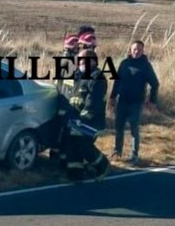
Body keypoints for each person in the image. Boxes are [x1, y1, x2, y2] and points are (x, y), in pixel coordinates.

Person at [109, 40, 160, 165]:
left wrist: (152, 100)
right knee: (119, 127)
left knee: (134, 129)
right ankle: (117, 151)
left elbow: (155, 83)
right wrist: (112, 97)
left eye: (139, 49)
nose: (136, 51)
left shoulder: (145, 66)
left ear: (143, 51)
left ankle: (134, 155)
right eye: (134, 49)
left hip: (136, 103)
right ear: (130, 50)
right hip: (122, 101)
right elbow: (117, 81)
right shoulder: (124, 63)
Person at [63, 49, 110, 182]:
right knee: (72, 145)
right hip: (75, 119)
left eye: (84, 60)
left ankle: (103, 166)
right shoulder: (78, 76)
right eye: (80, 60)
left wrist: (82, 118)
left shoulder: (97, 77)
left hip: (89, 121)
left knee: (84, 145)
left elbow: (93, 101)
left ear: (93, 61)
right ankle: (75, 174)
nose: (81, 63)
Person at [50, 33, 80, 167]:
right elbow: (68, 85)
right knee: (64, 132)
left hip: (60, 100)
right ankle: (61, 159)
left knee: (58, 130)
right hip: (65, 103)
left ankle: (55, 155)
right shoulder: (69, 62)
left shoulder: (63, 60)